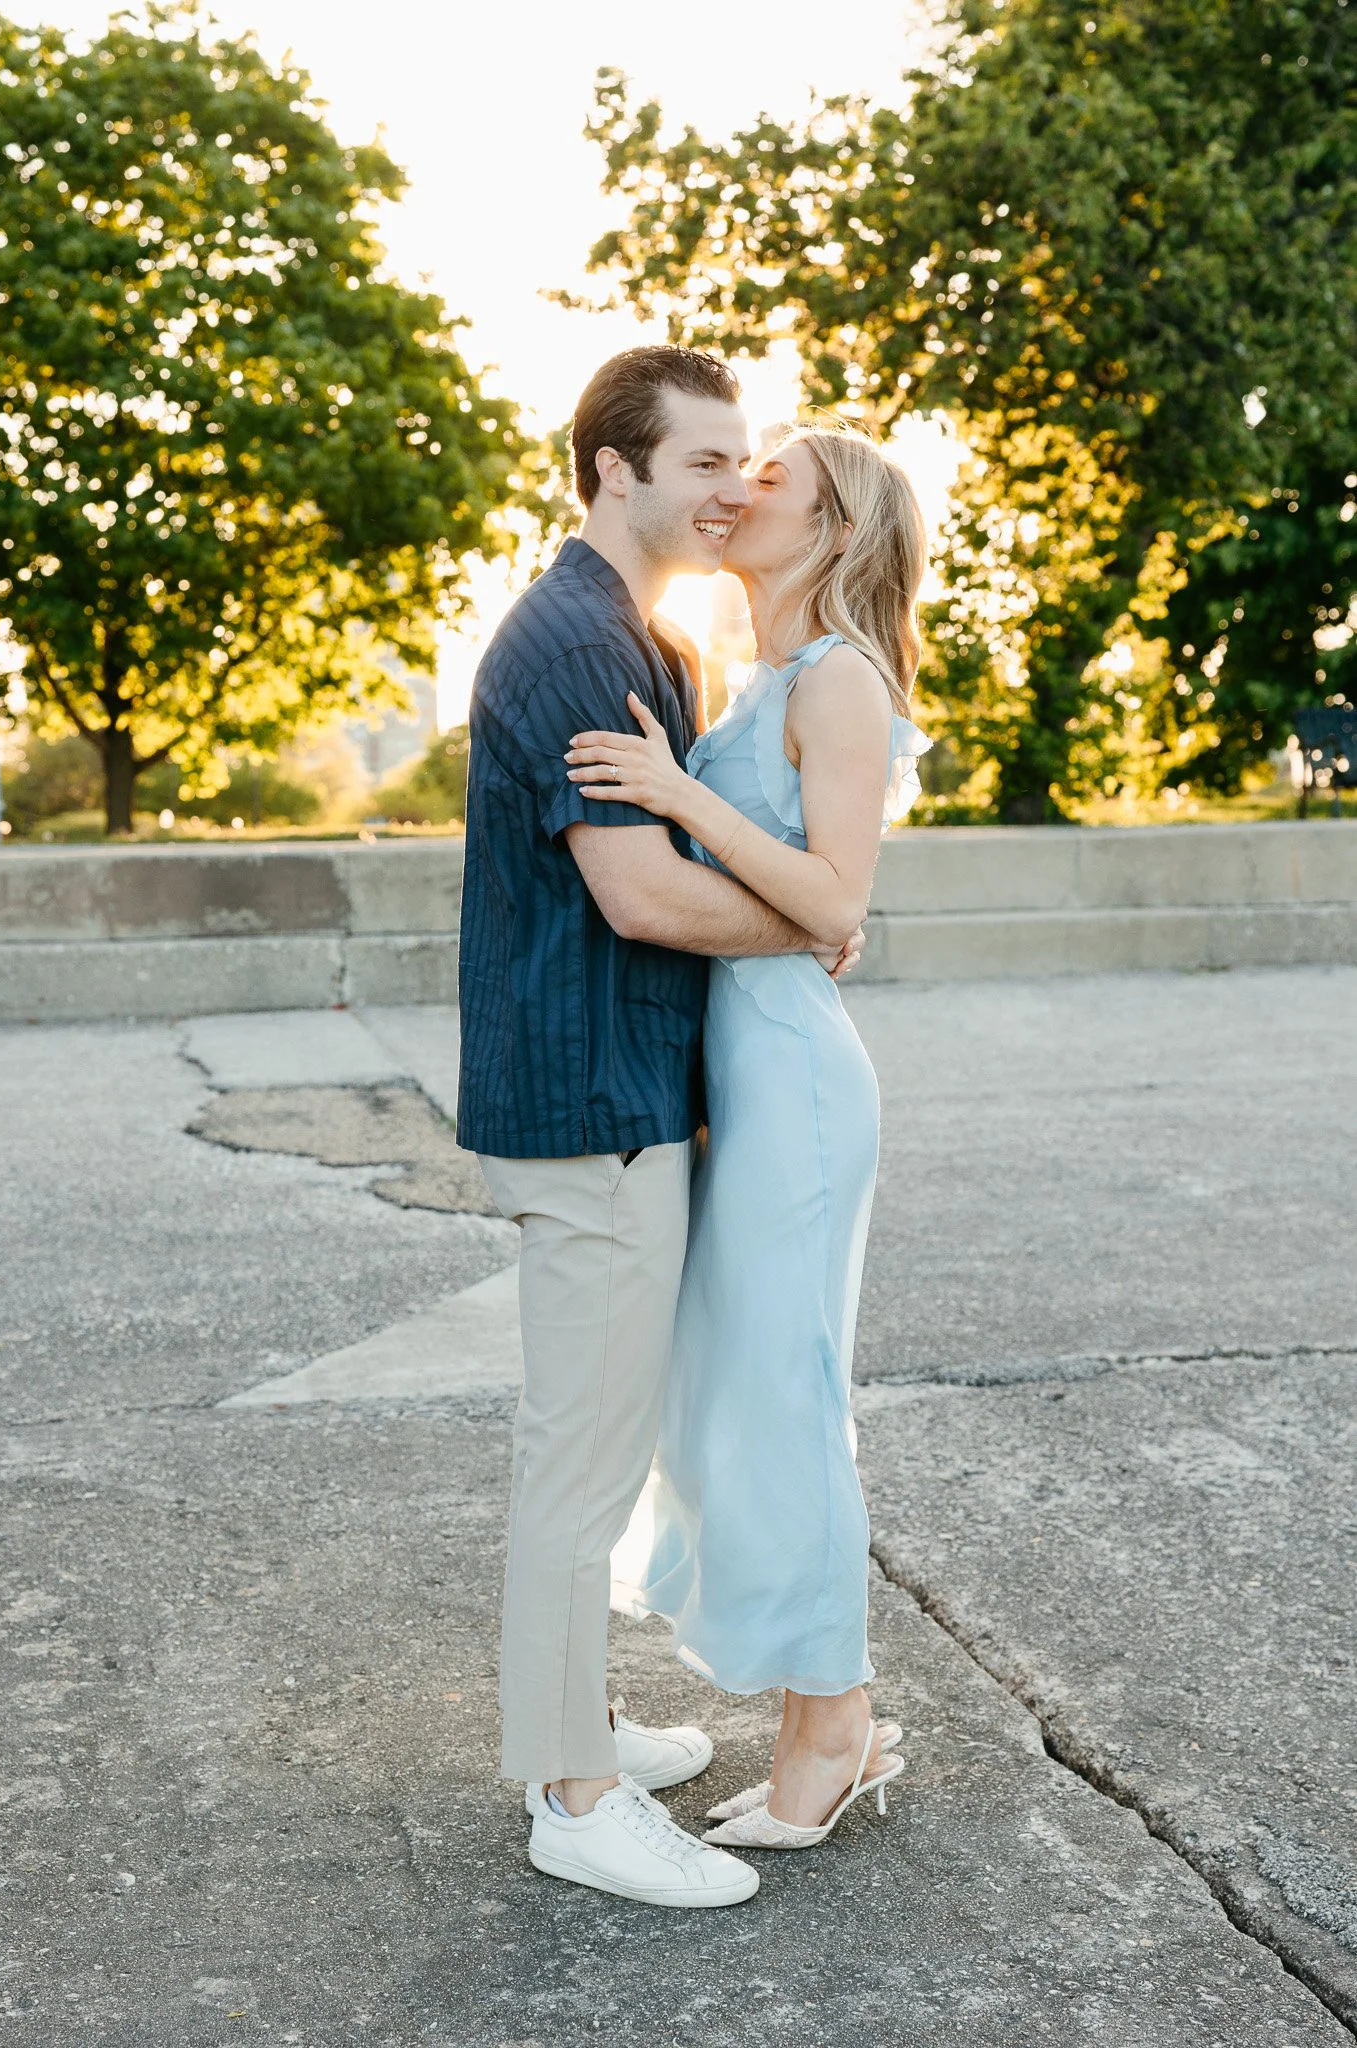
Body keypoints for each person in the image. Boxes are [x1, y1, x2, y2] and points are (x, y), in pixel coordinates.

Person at [456, 347, 862, 1909]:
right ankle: (572, 1800)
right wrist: (815, 920)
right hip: (590, 1107)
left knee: (604, 1451)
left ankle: (583, 1731)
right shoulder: (576, 641)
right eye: (702, 463)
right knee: (579, 1466)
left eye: (742, 464)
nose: (729, 490)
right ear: (614, 468)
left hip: (618, 1095)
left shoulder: (632, 633)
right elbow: (636, 895)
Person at [567, 418, 931, 1850]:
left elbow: (839, 903)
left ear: (833, 526)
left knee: (787, 1399)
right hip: (744, 1073)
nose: (737, 489)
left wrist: (671, 791)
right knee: (737, 1396)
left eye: (771, 477)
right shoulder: (762, 676)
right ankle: (816, 1708)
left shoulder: (839, 679)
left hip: (795, 1081)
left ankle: (832, 1726)